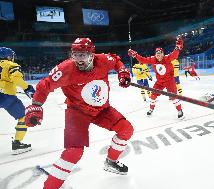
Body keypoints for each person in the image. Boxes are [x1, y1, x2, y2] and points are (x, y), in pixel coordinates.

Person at [24, 38, 134, 189]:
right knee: (74, 152)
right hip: (77, 112)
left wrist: (122, 71)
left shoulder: (102, 60)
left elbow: (115, 60)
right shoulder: (65, 69)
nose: (78, 59)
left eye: (82, 55)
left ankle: (111, 162)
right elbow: (45, 85)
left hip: (102, 109)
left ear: (91, 54)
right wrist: (36, 106)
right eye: (75, 55)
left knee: (126, 129)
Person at [128, 37, 185, 119]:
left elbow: (174, 55)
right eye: (157, 53)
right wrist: (135, 55)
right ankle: (151, 109)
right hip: (160, 81)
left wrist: (177, 48)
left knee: (173, 97)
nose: (158, 55)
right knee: (153, 96)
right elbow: (143, 60)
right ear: (155, 54)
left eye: (160, 53)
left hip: (169, 81)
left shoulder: (167, 58)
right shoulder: (152, 59)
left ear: (163, 54)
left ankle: (180, 111)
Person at [0, 47, 35, 155]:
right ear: (8, 56)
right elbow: (16, 78)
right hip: (6, 96)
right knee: (23, 116)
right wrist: (26, 88)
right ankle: (17, 143)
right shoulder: (10, 65)